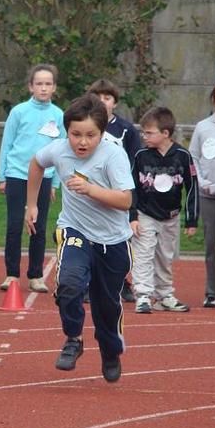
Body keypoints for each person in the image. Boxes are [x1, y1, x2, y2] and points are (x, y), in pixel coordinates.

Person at [25, 93, 133, 383]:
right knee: (70, 284)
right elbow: (36, 163)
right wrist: (32, 205)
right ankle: (73, 338)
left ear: (102, 133)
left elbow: (125, 200)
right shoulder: (59, 150)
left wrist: (91, 189)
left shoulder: (113, 155)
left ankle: (110, 351)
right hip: (75, 230)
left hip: (112, 241)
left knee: (106, 305)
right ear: (66, 131)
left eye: (90, 135)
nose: (82, 142)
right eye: (75, 134)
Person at [0, 63, 65, 293]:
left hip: (45, 177)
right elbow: (7, 144)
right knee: (15, 224)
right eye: (39, 84)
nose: (43, 88)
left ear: (54, 87)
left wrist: (55, 182)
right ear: (30, 86)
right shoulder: (18, 112)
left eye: (48, 84)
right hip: (17, 173)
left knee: (39, 225)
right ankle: (12, 274)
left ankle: (36, 275)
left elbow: (60, 151)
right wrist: (2, 176)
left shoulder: (58, 115)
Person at [131, 106, 199, 314]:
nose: (144, 136)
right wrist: (132, 216)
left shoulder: (182, 156)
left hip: (170, 216)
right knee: (143, 253)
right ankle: (142, 295)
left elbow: (192, 187)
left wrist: (191, 219)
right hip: (145, 213)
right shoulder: (141, 156)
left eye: (149, 133)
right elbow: (131, 186)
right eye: (143, 132)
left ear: (165, 133)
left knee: (164, 256)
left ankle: (164, 295)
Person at [87, 78, 142, 303]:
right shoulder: (86, 127)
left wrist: (134, 207)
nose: (102, 102)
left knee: (120, 238)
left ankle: (122, 282)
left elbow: (135, 163)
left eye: (107, 98)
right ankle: (89, 282)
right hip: (92, 191)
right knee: (90, 237)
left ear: (115, 102)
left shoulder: (126, 129)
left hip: (118, 192)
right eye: (98, 98)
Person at [189, 80, 215, 308]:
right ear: (214, 98)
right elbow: (193, 158)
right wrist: (202, 182)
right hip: (208, 193)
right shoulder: (203, 127)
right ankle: (213, 292)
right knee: (211, 243)